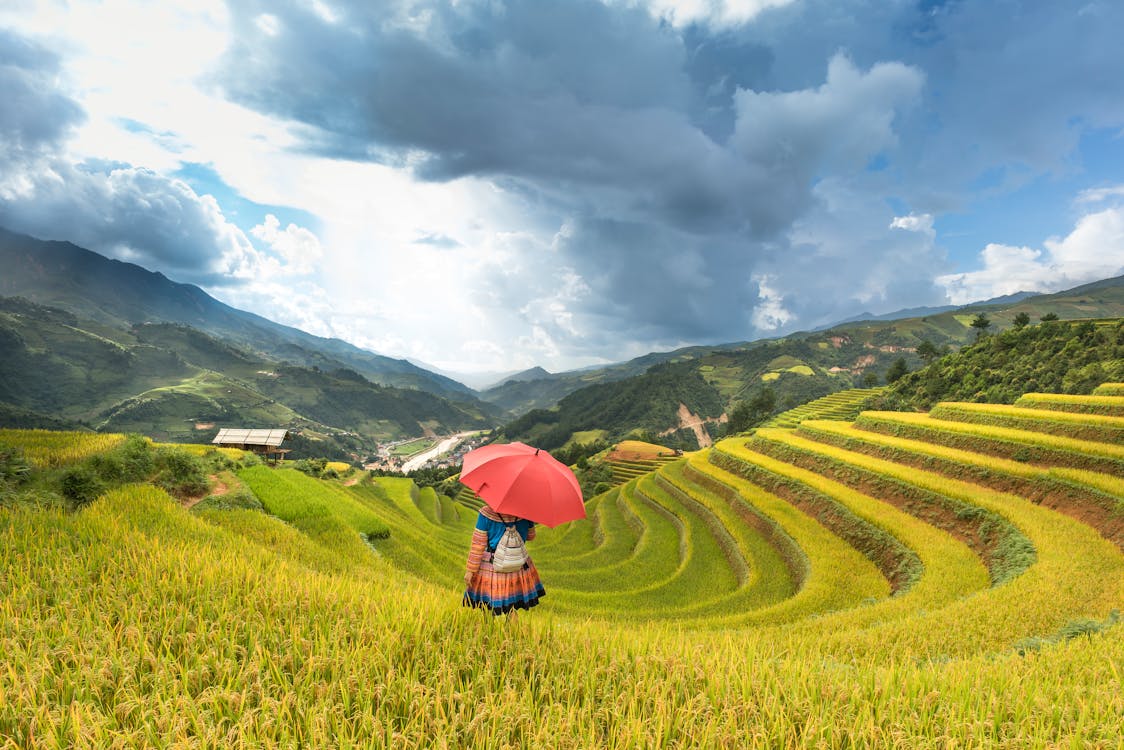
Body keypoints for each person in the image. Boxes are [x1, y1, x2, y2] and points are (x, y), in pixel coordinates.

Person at [463, 505, 545, 616]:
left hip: (492, 565)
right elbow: (531, 536)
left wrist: (470, 570)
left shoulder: (486, 513)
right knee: (512, 608)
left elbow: (478, 544)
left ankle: (488, 632)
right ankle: (513, 633)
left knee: (487, 607)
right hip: (516, 565)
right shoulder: (525, 512)